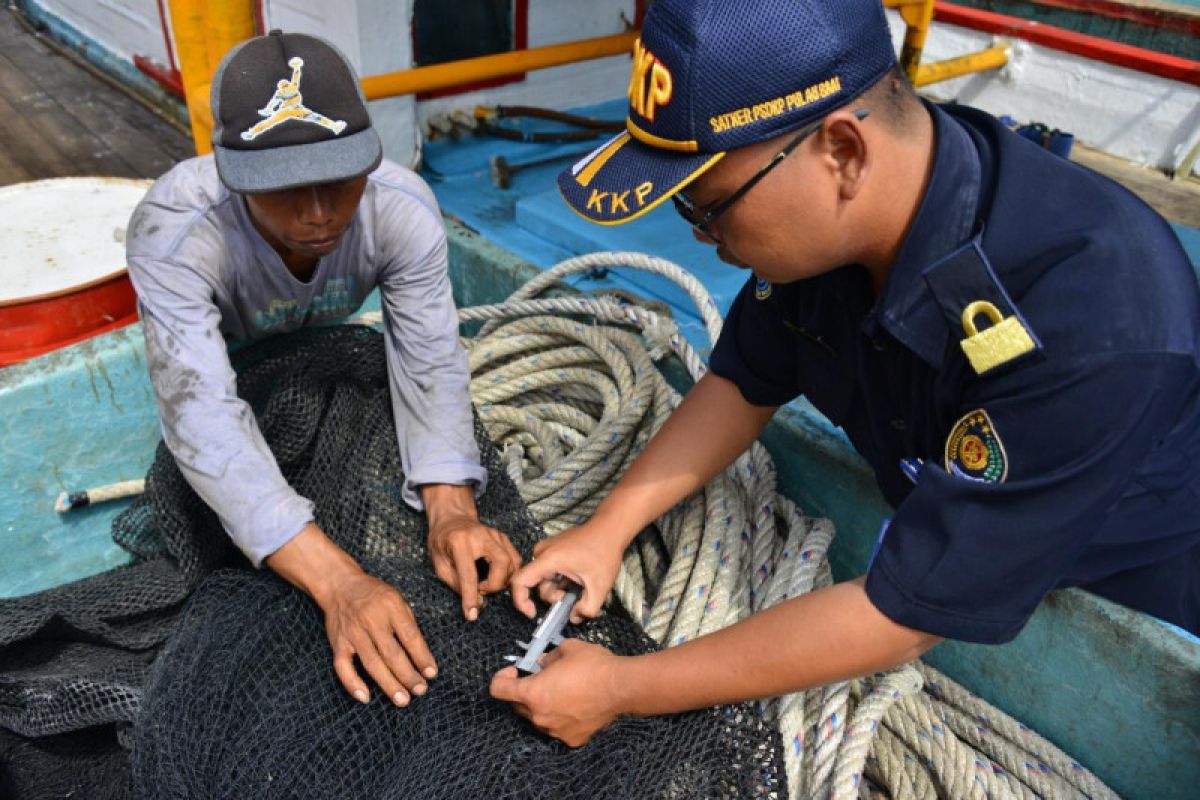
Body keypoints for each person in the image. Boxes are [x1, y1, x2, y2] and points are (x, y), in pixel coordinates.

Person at [490, 0, 1200, 746]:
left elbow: (904, 612)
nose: (708, 240)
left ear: (844, 153)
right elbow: (745, 379)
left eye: (710, 210)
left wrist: (619, 687)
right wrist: (607, 532)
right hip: (943, 532)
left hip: (1141, 590)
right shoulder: (846, 216)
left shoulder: (1096, 317)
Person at [127, 30, 521, 710]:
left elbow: (427, 359)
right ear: (228, 171)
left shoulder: (400, 210)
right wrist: (340, 584)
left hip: (330, 358)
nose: (317, 214)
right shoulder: (176, 233)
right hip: (230, 371)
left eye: (339, 180)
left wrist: (451, 510)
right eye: (283, 189)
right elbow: (203, 414)